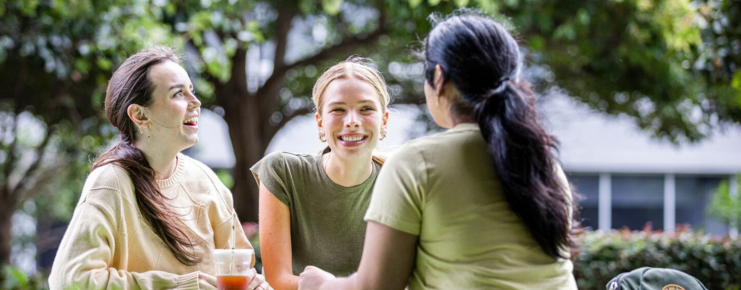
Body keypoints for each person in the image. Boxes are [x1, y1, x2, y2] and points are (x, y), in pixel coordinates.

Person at [298, 12, 579, 290]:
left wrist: (322, 285)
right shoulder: (542, 161)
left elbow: (375, 287)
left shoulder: (417, 163)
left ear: (439, 77)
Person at [49, 46, 270, 290]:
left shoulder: (206, 180)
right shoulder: (111, 183)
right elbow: (70, 281)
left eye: (192, 91)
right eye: (178, 94)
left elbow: (239, 269)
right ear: (140, 115)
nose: (195, 102)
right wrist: (179, 286)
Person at [251, 57, 391, 290]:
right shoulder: (283, 172)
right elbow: (278, 280)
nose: (352, 121)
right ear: (320, 122)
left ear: (384, 121)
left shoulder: (400, 182)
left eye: (366, 108)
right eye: (338, 109)